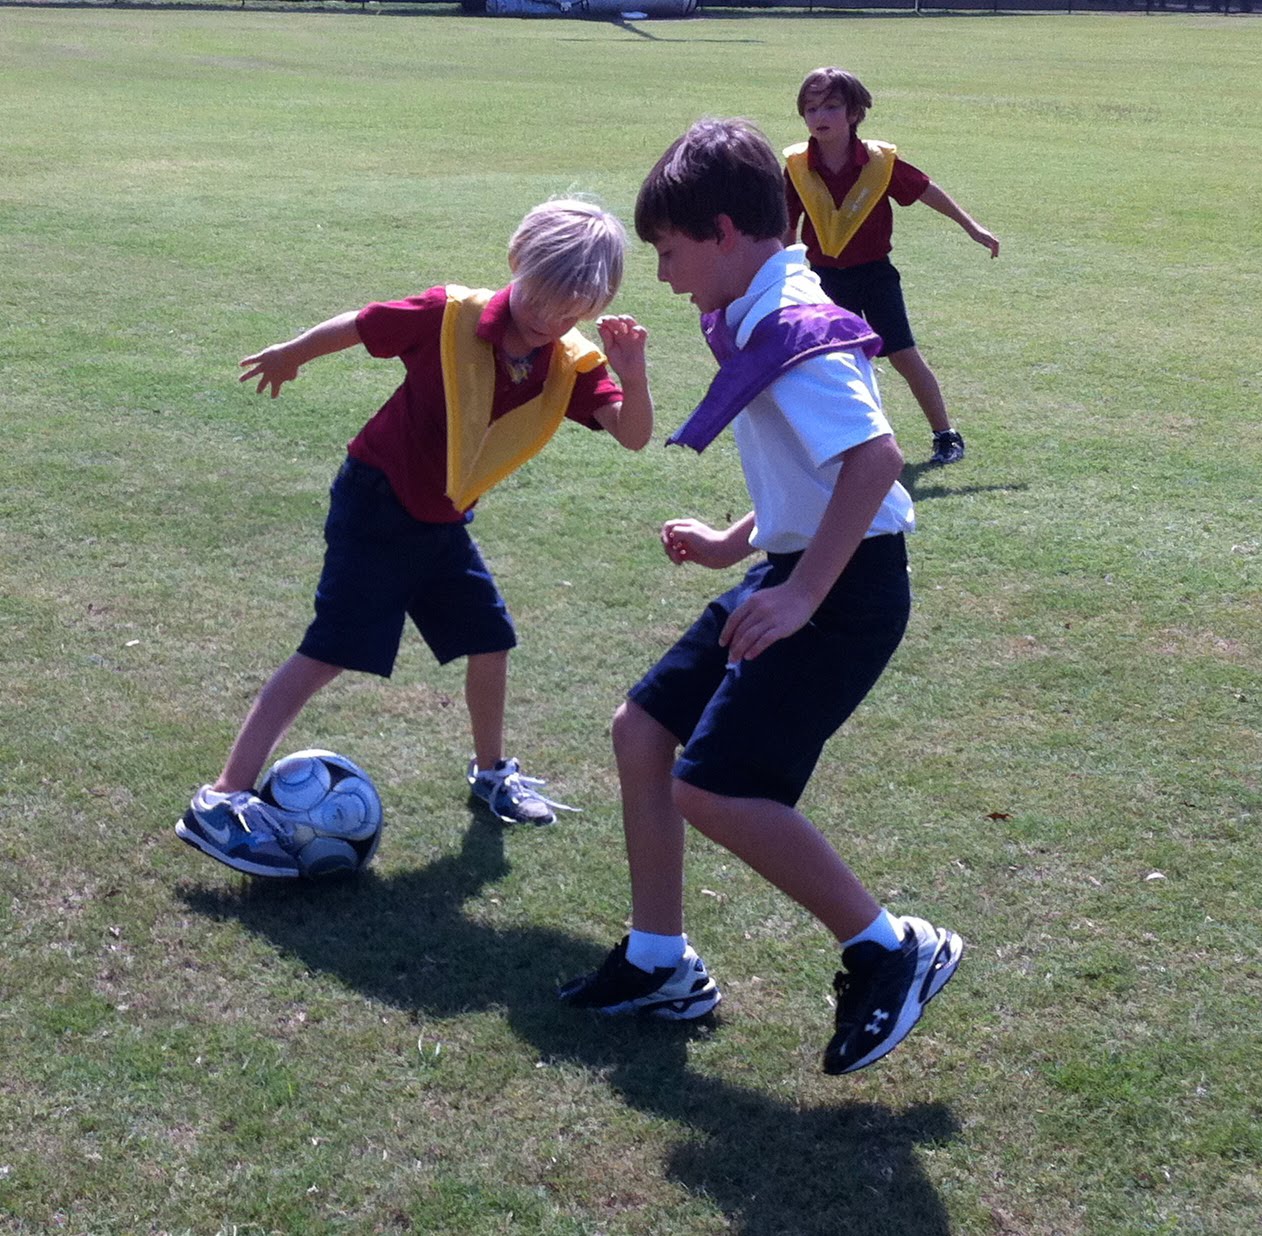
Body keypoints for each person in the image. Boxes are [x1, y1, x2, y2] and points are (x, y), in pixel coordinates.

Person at [559, 120, 961, 1076]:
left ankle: (890, 948)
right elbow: (811, 468)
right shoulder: (754, 300)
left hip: (846, 586)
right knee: (642, 732)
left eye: (668, 253)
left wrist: (800, 594)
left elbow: (872, 461)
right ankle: (661, 963)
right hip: (798, 565)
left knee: (718, 784)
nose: (662, 276)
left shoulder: (792, 325)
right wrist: (737, 541)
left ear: (727, 231)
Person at [176, 199, 653, 878]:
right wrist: (293, 354)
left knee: (490, 639)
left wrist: (631, 376)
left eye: (572, 309)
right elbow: (363, 325)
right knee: (329, 651)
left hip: (442, 521)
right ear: (518, 263)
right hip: (376, 504)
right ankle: (221, 798)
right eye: (543, 299)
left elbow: (633, 436)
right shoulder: (450, 315)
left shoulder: (570, 364)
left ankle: (491, 774)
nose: (550, 319)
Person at [784, 66, 999, 467]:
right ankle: (847, 444)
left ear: (853, 113)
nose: (819, 117)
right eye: (811, 109)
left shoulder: (879, 162)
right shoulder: (798, 165)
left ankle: (945, 434)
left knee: (903, 354)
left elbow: (925, 190)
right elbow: (785, 224)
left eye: (831, 106)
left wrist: (971, 226)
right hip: (823, 280)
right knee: (832, 362)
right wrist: (784, 272)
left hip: (875, 275)